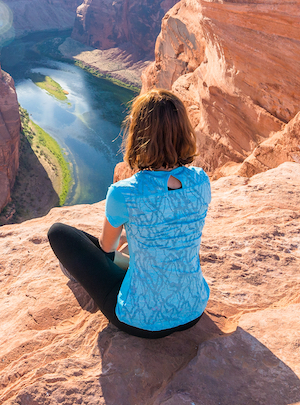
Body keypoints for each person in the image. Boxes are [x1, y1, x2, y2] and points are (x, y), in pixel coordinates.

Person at [47, 88, 211, 338]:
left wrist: (126, 240)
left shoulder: (124, 192)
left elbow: (107, 247)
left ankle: (81, 270)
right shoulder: (201, 181)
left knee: (60, 233)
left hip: (140, 319)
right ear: (183, 131)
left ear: (138, 134)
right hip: (193, 309)